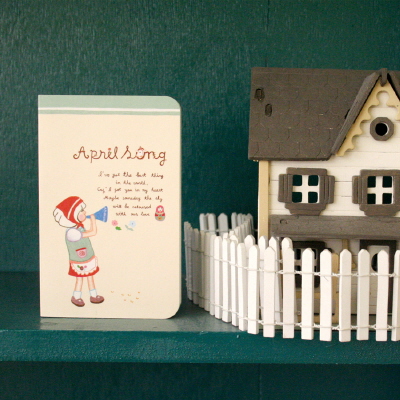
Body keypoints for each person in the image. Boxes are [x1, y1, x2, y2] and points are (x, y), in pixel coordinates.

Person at [53, 196, 104, 307]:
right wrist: (93, 221)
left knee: (90, 277)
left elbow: (89, 232)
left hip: (88, 258)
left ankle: (93, 296)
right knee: (80, 279)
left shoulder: (79, 228)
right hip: (79, 261)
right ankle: (76, 297)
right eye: (81, 210)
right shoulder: (72, 232)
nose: (85, 212)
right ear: (73, 216)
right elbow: (93, 232)